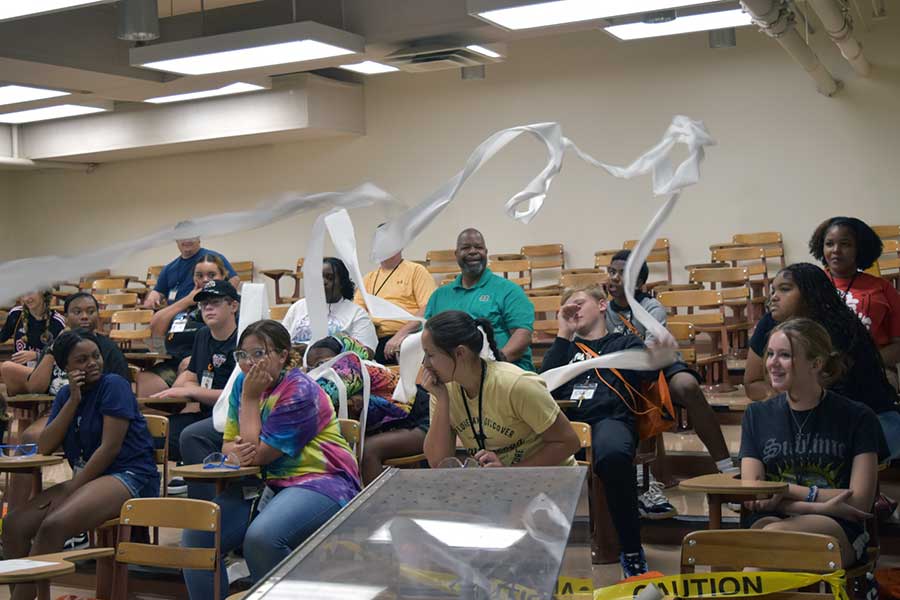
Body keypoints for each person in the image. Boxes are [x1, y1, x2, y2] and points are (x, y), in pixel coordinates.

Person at [181, 320, 360, 600]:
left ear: (283, 355)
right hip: (265, 485)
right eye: (242, 355)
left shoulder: (300, 390)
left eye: (259, 353)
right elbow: (230, 443)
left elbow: (259, 455)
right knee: (197, 535)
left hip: (320, 482)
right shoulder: (242, 383)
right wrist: (234, 452)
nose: (249, 363)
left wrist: (251, 401)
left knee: (262, 538)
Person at [2, 329, 159, 600]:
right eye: (82, 360)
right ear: (66, 368)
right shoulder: (66, 396)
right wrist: (73, 400)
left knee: (53, 525)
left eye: (95, 356)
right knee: (15, 525)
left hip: (129, 475)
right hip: (88, 479)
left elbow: (110, 448)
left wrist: (72, 487)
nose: (92, 363)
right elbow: (45, 445)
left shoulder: (114, 385)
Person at [740, 318, 884, 567]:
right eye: (770, 354)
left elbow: (859, 502)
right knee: (765, 537)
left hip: (837, 529)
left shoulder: (858, 417)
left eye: (785, 355)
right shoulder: (756, 416)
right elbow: (757, 493)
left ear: (816, 364)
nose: (772, 363)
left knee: (768, 540)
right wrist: (822, 505)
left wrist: (784, 491)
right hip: (777, 520)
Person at [540, 284, 660, 577]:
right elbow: (543, 386)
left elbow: (648, 371)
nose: (574, 310)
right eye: (567, 307)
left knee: (613, 455)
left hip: (609, 420)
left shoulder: (624, 342)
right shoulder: (565, 348)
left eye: (579, 303)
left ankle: (631, 549)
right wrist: (563, 333)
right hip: (566, 424)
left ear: (603, 305)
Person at [606, 251, 735, 517]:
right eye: (612, 272)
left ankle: (727, 468)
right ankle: (644, 481)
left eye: (623, 273)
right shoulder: (602, 309)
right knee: (623, 394)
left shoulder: (651, 308)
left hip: (660, 366)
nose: (615, 278)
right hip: (622, 373)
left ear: (639, 282)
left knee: (687, 386)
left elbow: (652, 354)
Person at [743, 263, 900, 459]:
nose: (773, 296)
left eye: (785, 289)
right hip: (804, 417)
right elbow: (752, 383)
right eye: (773, 290)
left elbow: (839, 399)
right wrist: (778, 396)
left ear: (811, 294)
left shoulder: (840, 328)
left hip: (869, 420)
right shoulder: (769, 324)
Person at [5, 292, 131, 513]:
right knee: (28, 439)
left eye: (91, 312)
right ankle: (13, 515)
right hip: (60, 410)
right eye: (78, 312)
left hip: (96, 416)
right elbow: (35, 386)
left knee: (34, 437)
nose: (85, 317)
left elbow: (121, 391)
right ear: (66, 316)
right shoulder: (57, 346)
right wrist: (53, 351)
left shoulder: (106, 349)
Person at [422, 309, 579, 468]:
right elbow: (437, 462)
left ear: (460, 353)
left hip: (552, 479)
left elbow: (568, 442)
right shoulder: (442, 391)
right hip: (502, 482)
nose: (425, 364)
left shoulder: (517, 385)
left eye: (430, 355)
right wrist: (442, 401)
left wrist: (509, 474)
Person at [306, 334, 430, 484]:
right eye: (312, 368)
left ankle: (377, 505)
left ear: (343, 356)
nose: (318, 371)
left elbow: (312, 400)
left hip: (424, 422)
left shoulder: (355, 368)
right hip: (395, 426)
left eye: (322, 364)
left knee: (368, 450)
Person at [149, 280, 239, 467]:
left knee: (189, 435)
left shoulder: (243, 339)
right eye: (204, 304)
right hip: (206, 413)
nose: (208, 308)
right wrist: (189, 388)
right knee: (148, 431)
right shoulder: (203, 335)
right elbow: (190, 376)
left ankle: (208, 489)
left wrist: (192, 391)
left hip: (232, 419)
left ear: (233, 306)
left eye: (215, 303)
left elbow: (235, 397)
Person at [424, 228, 535, 371]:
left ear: (486, 252)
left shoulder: (509, 290)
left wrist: (492, 365)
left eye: (478, 247)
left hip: (503, 372)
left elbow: (523, 335)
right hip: (453, 376)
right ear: (456, 254)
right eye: (465, 248)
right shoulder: (439, 296)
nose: (473, 251)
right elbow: (427, 336)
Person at [809, 217, 900, 374]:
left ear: (860, 248)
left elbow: (898, 345)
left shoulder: (883, 288)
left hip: (874, 369)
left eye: (845, 244)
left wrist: (864, 363)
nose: (836, 250)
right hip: (821, 372)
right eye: (829, 243)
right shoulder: (810, 286)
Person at [137, 253, 228, 397]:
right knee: (139, 384)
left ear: (223, 276)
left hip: (204, 367)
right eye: (199, 275)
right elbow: (156, 329)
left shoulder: (226, 306)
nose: (205, 280)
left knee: (185, 372)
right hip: (172, 363)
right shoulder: (186, 306)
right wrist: (186, 301)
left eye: (211, 275)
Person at [355, 244, 436, 364]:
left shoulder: (416, 271)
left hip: (407, 335)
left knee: (404, 349)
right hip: (373, 337)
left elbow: (427, 307)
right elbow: (357, 312)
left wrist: (400, 335)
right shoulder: (368, 279)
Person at [282, 257, 377, 353]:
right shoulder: (298, 307)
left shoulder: (357, 314)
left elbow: (367, 352)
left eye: (330, 278)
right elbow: (280, 341)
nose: (323, 282)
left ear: (342, 283)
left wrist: (313, 350)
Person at [0, 290, 67, 396]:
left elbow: (62, 358)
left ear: (43, 292)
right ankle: (23, 409)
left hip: (44, 374)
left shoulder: (58, 322)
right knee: (8, 370)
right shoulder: (16, 314)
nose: (27, 299)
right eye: (23, 294)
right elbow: (2, 337)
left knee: (7, 367)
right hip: (20, 372)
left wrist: (37, 356)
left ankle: (26, 408)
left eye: (30, 293)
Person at [143, 237, 239, 309]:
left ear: (198, 239)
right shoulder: (169, 268)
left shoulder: (214, 258)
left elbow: (234, 279)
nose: (186, 240)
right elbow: (158, 291)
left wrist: (221, 303)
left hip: (205, 312)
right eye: (182, 237)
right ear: (176, 241)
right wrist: (152, 298)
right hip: (176, 315)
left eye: (191, 236)